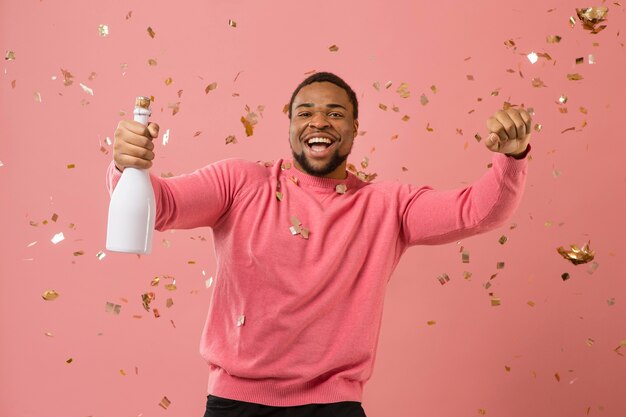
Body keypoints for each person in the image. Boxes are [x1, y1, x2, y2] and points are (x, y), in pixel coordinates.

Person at [107, 72, 531, 417]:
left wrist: (512, 157)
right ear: (290, 124)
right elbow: (160, 206)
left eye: (335, 113)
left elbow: (477, 211)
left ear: (353, 129)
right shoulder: (240, 182)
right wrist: (126, 166)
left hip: (333, 408)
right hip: (234, 405)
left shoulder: (385, 205)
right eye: (305, 112)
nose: (319, 122)